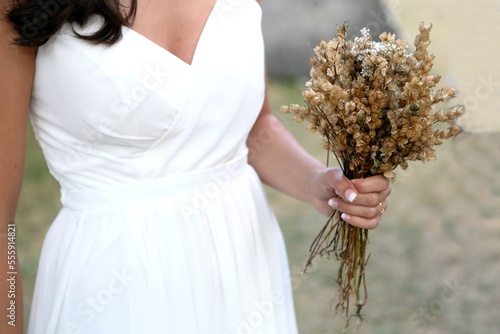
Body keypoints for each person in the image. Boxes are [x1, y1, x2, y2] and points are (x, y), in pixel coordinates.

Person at [0, 0, 392, 333]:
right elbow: (4, 228)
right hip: (113, 276)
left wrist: (318, 182)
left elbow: (254, 129)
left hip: (245, 258)